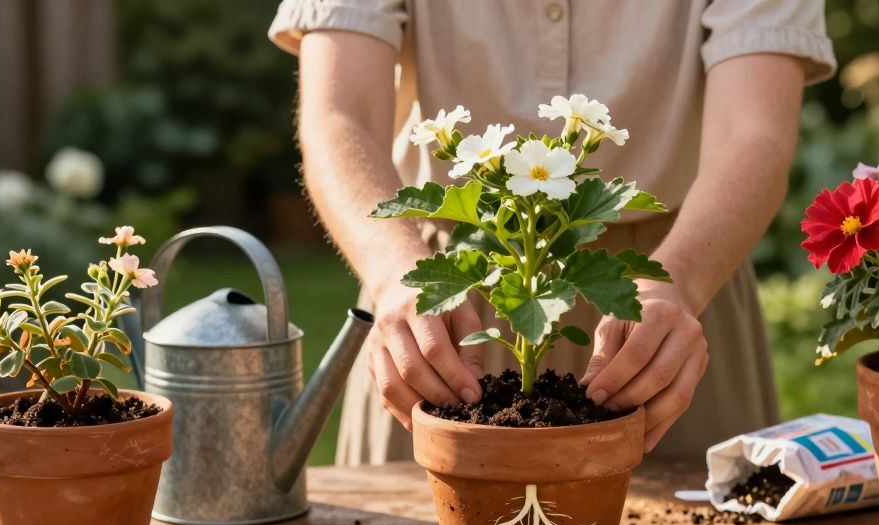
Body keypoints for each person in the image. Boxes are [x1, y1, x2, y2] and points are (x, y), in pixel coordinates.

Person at [270, 1, 835, 464]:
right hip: (439, 294)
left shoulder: (675, 292)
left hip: (671, 293)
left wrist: (679, 283)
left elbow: (754, 132)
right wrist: (396, 273)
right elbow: (340, 116)